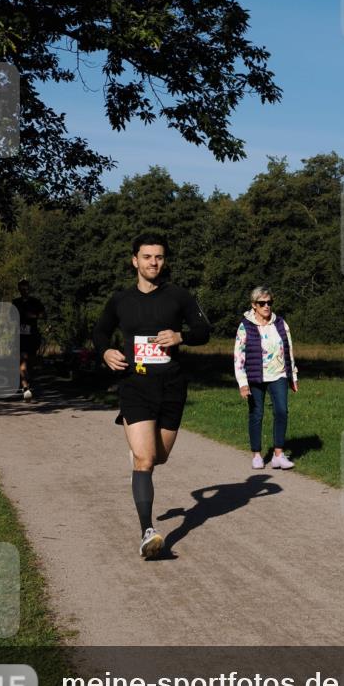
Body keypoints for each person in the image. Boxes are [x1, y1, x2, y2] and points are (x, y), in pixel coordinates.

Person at [93, 232, 211, 559]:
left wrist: (180, 336)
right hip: (136, 385)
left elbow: (204, 330)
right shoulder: (121, 300)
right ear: (135, 260)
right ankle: (147, 531)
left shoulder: (179, 297)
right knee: (145, 460)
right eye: (147, 257)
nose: (153, 263)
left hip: (172, 386)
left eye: (158, 257)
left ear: (164, 261)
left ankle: (139, 455)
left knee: (159, 457)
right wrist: (105, 352)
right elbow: (100, 331)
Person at [234, 286, 299, 470]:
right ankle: (256, 454)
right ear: (254, 305)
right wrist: (243, 383)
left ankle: (278, 454)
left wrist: (293, 375)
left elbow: (289, 350)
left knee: (281, 411)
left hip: (278, 374)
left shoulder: (280, 323)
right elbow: (239, 356)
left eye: (269, 302)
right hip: (255, 376)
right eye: (262, 303)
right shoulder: (245, 326)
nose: (266, 306)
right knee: (257, 413)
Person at [12, 279, 45, 401]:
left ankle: (26, 383)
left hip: (32, 335)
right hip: (20, 336)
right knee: (23, 360)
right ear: (19, 290)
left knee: (30, 362)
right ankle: (25, 388)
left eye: (26, 289)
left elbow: (43, 314)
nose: (24, 291)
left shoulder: (35, 302)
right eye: (22, 289)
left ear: (29, 289)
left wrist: (34, 316)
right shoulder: (15, 302)